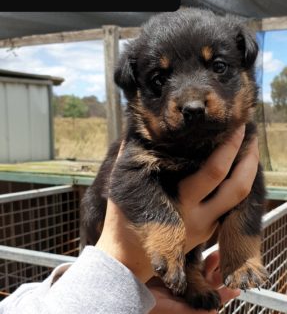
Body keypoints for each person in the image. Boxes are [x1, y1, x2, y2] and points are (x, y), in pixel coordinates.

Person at [0, 125, 260, 314]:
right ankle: (187, 274)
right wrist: (123, 262)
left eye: (219, 68)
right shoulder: (148, 138)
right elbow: (134, 183)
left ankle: (189, 275)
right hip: (112, 226)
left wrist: (240, 253)